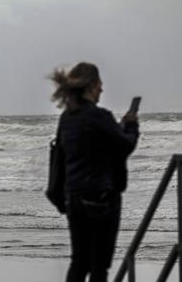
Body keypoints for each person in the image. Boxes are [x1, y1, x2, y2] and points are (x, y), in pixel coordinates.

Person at [49, 62, 139, 282]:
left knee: (79, 261)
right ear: (90, 85)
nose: (102, 89)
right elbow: (125, 146)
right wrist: (131, 126)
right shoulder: (98, 116)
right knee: (99, 266)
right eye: (99, 84)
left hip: (73, 198)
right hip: (101, 199)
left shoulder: (66, 118)